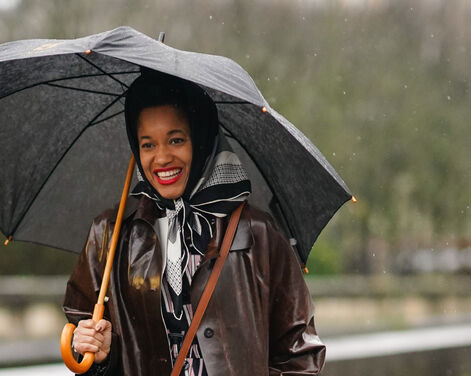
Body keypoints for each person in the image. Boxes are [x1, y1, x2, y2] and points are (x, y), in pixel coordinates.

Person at [63, 70, 325, 375]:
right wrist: (100, 355)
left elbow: (300, 354)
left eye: (175, 140)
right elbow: (83, 343)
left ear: (201, 140)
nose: (161, 158)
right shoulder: (110, 233)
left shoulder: (257, 234)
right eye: (147, 144)